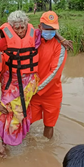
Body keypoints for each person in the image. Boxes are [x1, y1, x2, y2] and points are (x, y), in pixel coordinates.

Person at [0, 10, 40, 157]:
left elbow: (49, 33)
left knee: (21, 110)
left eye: (22, 27)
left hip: (28, 81)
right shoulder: (5, 40)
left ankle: (17, 135)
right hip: (10, 81)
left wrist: (61, 38)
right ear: (11, 27)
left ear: (26, 25)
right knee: (5, 107)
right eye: (17, 28)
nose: (20, 31)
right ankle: (0, 139)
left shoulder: (35, 36)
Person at [30, 11, 71, 139]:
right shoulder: (32, 40)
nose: (49, 31)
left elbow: (54, 74)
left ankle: (47, 150)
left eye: (53, 29)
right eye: (46, 28)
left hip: (51, 94)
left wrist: (34, 89)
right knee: (26, 122)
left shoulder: (60, 47)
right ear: (39, 26)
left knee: (49, 125)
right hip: (32, 93)